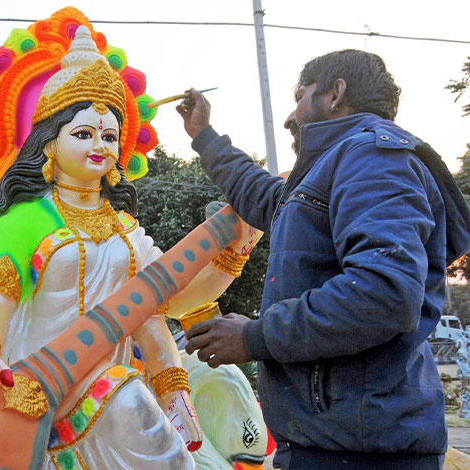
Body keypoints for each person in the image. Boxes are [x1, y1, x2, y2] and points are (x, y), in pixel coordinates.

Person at [0, 24, 262, 470]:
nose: (100, 146)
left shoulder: (125, 229)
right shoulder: (30, 217)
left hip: (113, 392)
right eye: (84, 134)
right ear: (50, 142)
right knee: (130, 405)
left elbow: (169, 302)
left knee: (133, 405)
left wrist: (233, 252)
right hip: (35, 393)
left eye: (109, 137)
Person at [178, 49, 470, 470]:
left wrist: (254, 337)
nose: (289, 118)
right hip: (338, 444)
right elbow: (268, 199)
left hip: (361, 454)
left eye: (300, 96)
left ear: (335, 93)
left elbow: (383, 293)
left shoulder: (372, 158)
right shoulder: (343, 166)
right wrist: (204, 136)